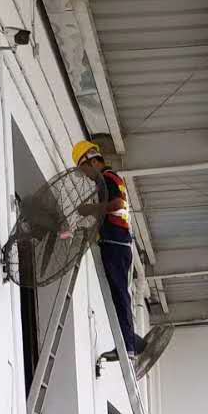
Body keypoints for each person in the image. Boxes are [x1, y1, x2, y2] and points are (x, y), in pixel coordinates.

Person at [72, 141, 151, 365]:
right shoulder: (110, 179)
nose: (87, 176)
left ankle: (127, 345)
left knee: (119, 295)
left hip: (116, 242)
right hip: (117, 242)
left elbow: (116, 204)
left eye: (84, 170)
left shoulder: (107, 178)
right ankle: (129, 341)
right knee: (119, 295)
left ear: (91, 161)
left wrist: (91, 209)